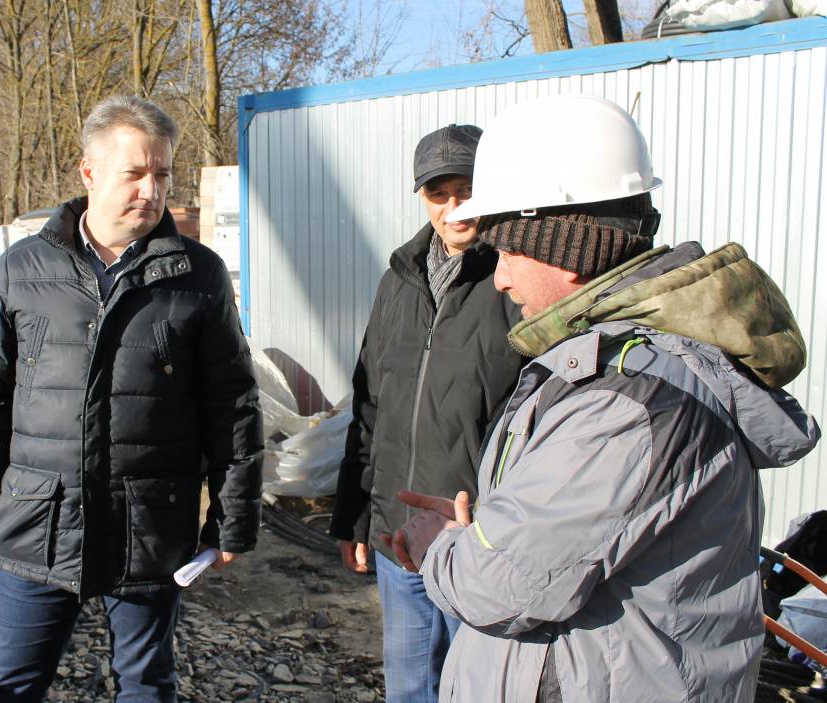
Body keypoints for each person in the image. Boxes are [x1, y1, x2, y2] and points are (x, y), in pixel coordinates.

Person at [386, 95, 821, 702]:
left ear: (563, 250)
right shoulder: (628, 370)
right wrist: (494, 526)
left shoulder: (625, 402)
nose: (501, 278)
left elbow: (498, 588)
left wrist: (442, 543)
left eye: (507, 252)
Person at [0, 95, 263, 702]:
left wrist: (232, 521)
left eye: (162, 173)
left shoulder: (195, 274)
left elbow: (232, 405)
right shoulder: (23, 269)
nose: (152, 190)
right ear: (89, 172)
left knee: (147, 684)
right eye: (135, 173)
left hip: (148, 527)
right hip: (35, 523)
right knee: (10, 684)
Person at [329, 124, 523, 701]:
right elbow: (370, 405)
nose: (454, 207)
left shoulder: (515, 281)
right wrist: (353, 515)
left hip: (479, 539)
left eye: (468, 190)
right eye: (439, 193)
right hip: (400, 536)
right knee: (409, 686)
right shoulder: (399, 281)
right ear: (422, 198)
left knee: (480, 688)